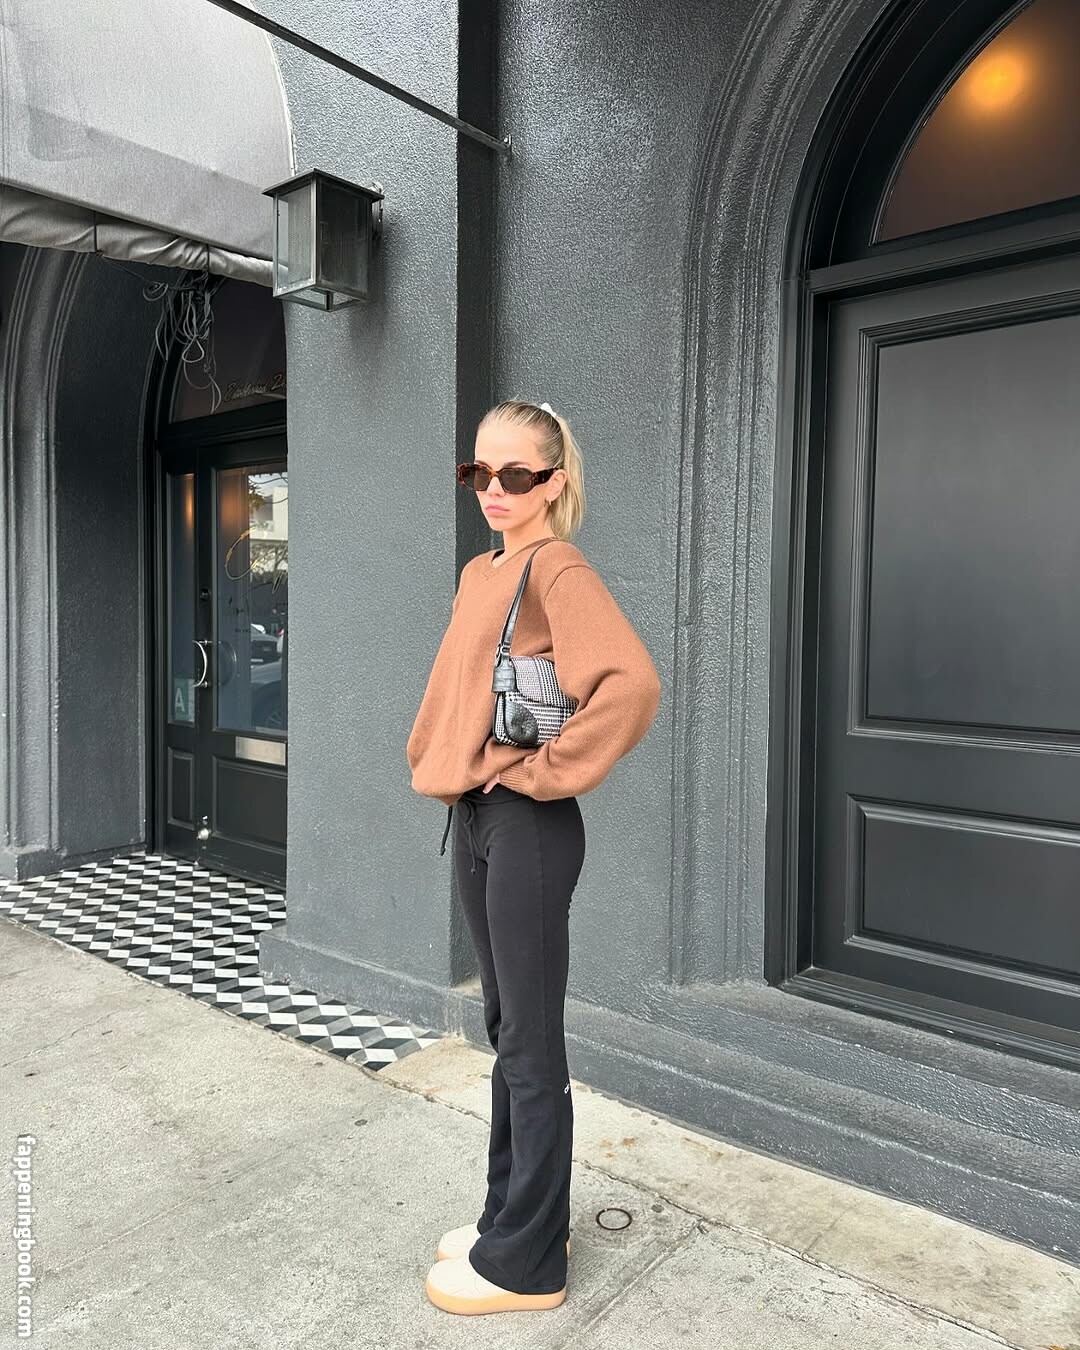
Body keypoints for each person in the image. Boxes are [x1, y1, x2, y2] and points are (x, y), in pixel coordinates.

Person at [406, 398, 662, 1315]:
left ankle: (529, 1265)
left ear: (554, 482)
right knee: (506, 1026)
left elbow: (631, 685)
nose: (495, 489)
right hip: (477, 814)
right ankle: (511, 1217)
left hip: (529, 825)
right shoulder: (484, 571)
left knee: (531, 1041)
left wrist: (542, 774)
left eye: (517, 474)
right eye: (479, 472)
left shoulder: (557, 566)